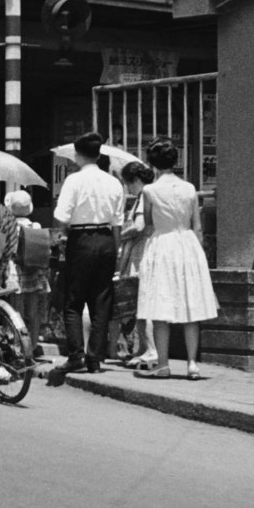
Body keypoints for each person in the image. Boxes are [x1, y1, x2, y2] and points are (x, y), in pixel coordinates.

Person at [134, 138, 219, 381]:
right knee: (190, 305)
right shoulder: (190, 188)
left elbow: (149, 222)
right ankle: (192, 363)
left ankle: (163, 364)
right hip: (188, 243)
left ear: (152, 163)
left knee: (161, 305)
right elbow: (197, 226)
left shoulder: (149, 191)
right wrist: (199, 253)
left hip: (163, 244)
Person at [53, 131, 124, 374]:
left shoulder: (73, 181)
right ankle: (95, 358)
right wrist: (117, 251)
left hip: (80, 239)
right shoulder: (114, 182)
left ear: (77, 154)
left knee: (73, 300)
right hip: (106, 240)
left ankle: (76, 355)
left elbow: (61, 216)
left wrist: (64, 232)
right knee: (101, 300)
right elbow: (118, 222)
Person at [114, 161, 159, 371]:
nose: (128, 188)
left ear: (136, 180)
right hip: (151, 249)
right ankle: (143, 349)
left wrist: (119, 236)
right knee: (143, 304)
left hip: (142, 253)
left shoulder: (144, 195)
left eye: (128, 183)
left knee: (142, 304)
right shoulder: (155, 192)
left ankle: (150, 349)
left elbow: (140, 226)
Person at [3, 190, 51, 351]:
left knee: (16, 311)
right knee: (33, 311)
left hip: (16, 271)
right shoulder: (35, 226)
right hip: (34, 270)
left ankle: (18, 346)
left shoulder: (8, 226)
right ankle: (33, 344)